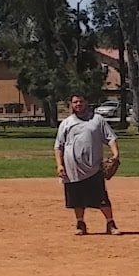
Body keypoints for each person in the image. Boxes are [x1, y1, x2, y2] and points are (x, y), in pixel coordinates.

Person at [55, 94, 120, 235]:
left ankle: (110, 223)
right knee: (76, 200)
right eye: (75, 102)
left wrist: (115, 154)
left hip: (93, 167)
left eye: (81, 101)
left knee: (102, 198)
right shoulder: (66, 123)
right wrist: (60, 165)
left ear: (86, 103)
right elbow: (58, 146)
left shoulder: (97, 120)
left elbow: (110, 138)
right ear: (71, 104)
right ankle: (80, 223)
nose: (78, 104)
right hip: (72, 169)